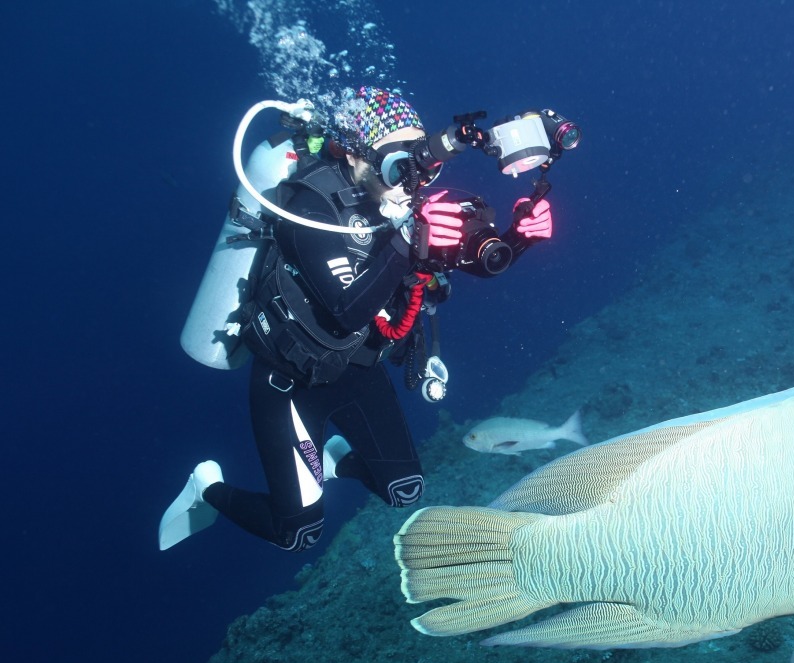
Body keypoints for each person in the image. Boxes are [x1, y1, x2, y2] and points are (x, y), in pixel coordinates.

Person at [160, 86, 553, 552]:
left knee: (405, 490)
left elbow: (470, 257)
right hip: (291, 381)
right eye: (395, 158)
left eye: (416, 155)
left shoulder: (405, 203)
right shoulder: (307, 205)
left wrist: (519, 237)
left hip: (360, 368)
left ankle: (337, 462)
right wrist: (411, 238)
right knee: (297, 533)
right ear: (351, 151)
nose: (408, 174)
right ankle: (205, 488)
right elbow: (349, 310)